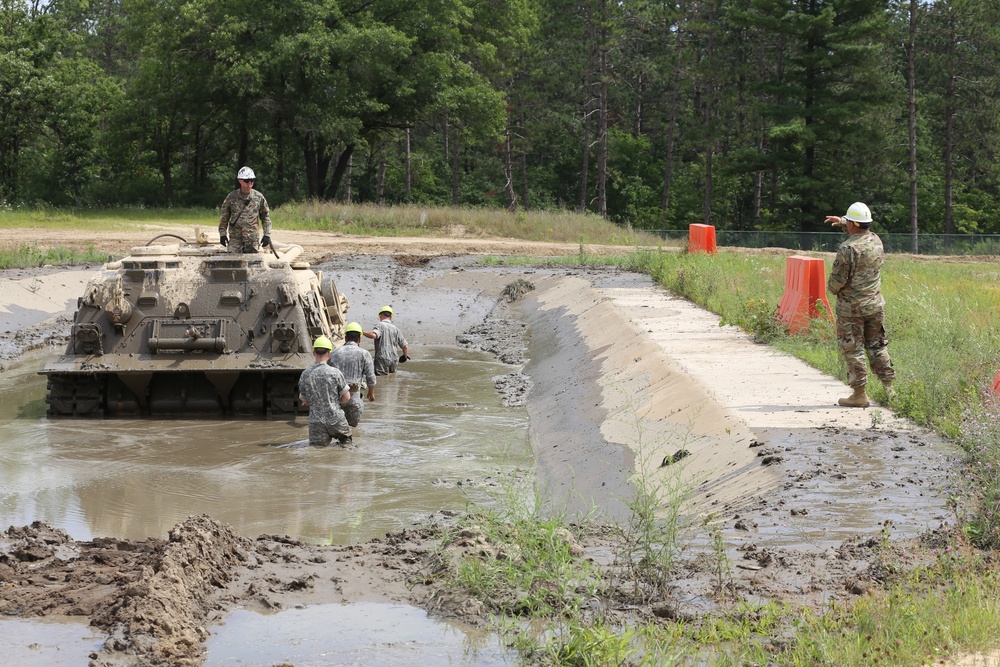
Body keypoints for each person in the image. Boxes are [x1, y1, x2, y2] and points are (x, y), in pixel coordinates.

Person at [825, 202, 896, 407]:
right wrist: (842, 221)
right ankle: (889, 389)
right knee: (877, 346)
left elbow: (836, 283)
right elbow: (859, 225)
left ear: (853, 224)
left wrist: (832, 288)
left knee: (853, 349)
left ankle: (859, 395)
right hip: (875, 306)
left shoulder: (848, 249)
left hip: (851, 310)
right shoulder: (876, 240)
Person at [298, 335, 352, 446]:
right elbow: (347, 397)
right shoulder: (335, 372)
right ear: (329, 353)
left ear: (314, 353)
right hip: (336, 418)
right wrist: (334, 403)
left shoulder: (305, 374)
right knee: (347, 444)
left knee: (317, 453)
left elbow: (304, 399)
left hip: (316, 422)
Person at [328, 322, 376, 427]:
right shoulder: (364, 354)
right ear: (359, 339)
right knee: (352, 430)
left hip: (337, 400)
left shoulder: (334, 353)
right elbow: (371, 378)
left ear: (345, 339)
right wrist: (371, 394)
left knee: (337, 428)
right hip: (354, 400)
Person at [218, 166, 272, 253]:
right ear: (240, 180)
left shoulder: (259, 197)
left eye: (252, 180)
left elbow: (265, 217)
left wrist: (267, 235)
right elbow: (224, 217)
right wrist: (222, 234)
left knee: (253, 264)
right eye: (247, 180)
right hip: (235, 238)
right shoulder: (231, 197)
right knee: (233, 262)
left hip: (252, 238)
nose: (250, 182)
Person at [364, 305, 409, 376]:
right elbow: (405, 346)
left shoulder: (380, 325)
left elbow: (373, 335)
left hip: (382, 359)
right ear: (391, 317)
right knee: (392, 379)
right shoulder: (396, 329)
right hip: (394, 359)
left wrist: (362, 332)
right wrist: (405, 356)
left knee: (381, 380)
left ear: (380, 315)